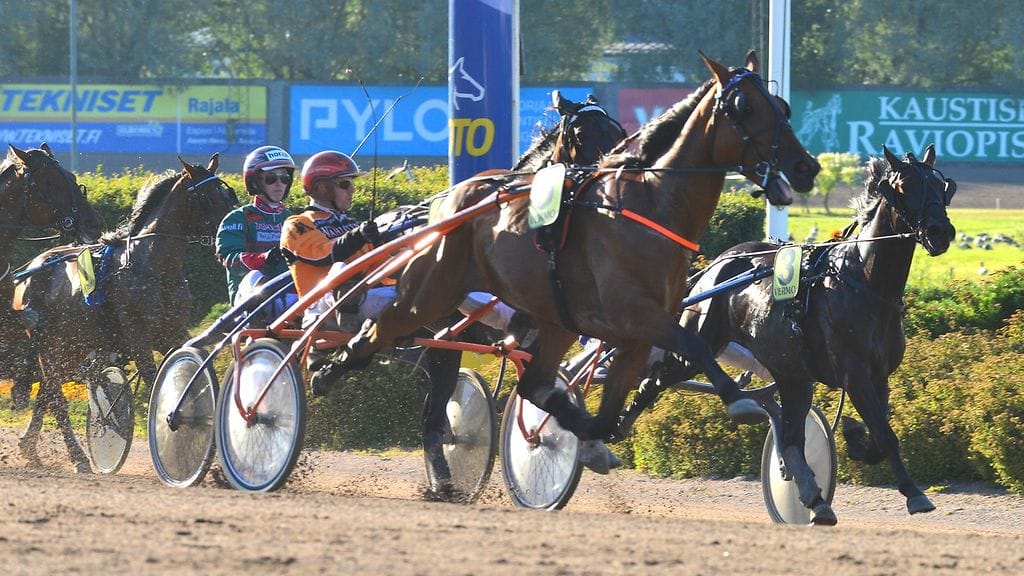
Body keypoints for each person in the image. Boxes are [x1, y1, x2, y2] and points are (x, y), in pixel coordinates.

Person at [215, 145, 297, 304]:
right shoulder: (237, 218)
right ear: (254, 182)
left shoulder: (295, 220)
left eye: (284, 178)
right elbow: (229, 259)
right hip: (249, 301)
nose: (279, 184)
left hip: (292, 297)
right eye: (271, 178)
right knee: (255, 277)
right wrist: (263, 259)